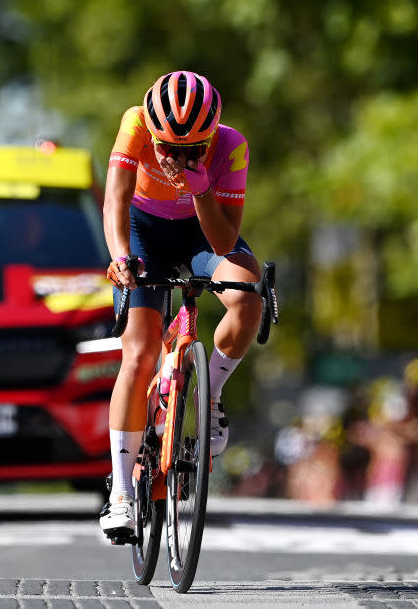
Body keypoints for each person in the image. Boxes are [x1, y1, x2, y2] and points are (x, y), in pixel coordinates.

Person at [99, 70, 263, 539]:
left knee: (248, 296)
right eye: (166, 147)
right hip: (143, 232)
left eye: (191, 149)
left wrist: (199, 187)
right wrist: (120, 258)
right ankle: (120, 497)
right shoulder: (134, 123)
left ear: (210, 138)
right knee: (139, 352)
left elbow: (224, 238)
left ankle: (208, 395)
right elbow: (116, 199)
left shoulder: (231, 145)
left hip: (202, 228)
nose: (175, 156)